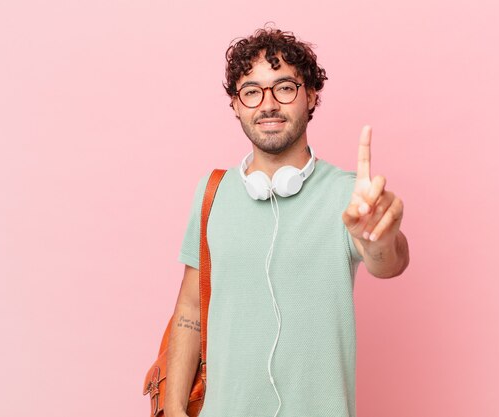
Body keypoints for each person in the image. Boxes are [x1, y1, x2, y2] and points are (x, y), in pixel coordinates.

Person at [164, 27, 410, 417]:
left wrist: (379, 237)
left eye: (284, 88)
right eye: (251, 91)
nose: (268, 105)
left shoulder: (349, 195)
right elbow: (190, 308)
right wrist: (173, 408)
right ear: (236, 105)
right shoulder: (212, 192)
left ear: (310, 95)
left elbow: (389, 262)